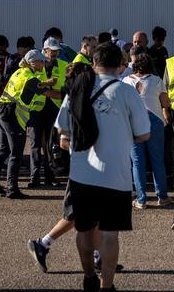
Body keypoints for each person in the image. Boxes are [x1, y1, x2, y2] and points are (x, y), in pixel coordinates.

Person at [59, 43, 151, 292]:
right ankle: (106, 285)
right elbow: (143, 135)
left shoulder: (77, 89)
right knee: (110, 234)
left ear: (94, 63)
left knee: (84, 229)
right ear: (119, 66)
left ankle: (88, 276)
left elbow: (62, 130)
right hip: (116, 176)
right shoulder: (127, 92)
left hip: (81, 173)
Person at [26, 62, 123, 275]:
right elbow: (63, 140)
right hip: (82, 170)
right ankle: (43, 244)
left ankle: (98, 256)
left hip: (95, 169)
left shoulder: (90, 99)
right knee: (75, 215)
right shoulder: (71, 101)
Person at [0, 50, 51, 199]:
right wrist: (68, 93)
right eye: (41, 61)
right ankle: (12, 189)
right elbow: (48, 93)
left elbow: (37, 85)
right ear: (33, 62)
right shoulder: (30, 78)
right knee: (16, 152)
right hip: (12, 115)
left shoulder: (19, 72)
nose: (44, 63)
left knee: (2, 149)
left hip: (2, 111)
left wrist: (46, 82)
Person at [123, 52, 172, 209]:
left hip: (133, 122)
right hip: (154, 119)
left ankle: (141, 199)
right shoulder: (156, 80)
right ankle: (162, 196)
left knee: (137, 162)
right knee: (157, 159)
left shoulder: (125, 81)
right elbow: (165, 102)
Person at [28, 38, 67, 188]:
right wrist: (57, 93)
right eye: (51, 50)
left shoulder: (63, 65)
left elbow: (67, 86)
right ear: (44, 50)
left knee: (51, 145)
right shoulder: (36, 65)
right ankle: (34, 177)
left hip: (54, 109)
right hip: (36, 109)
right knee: (35, 144)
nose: (54, 53)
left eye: (56, 50)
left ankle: (50, 176)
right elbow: (40, 89)